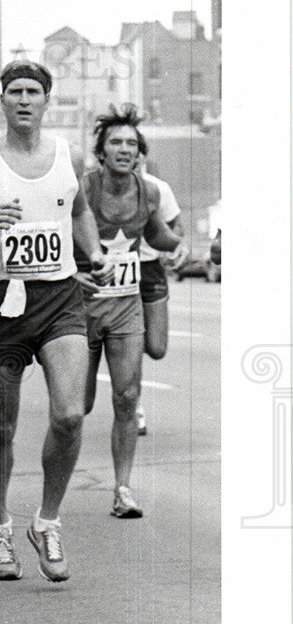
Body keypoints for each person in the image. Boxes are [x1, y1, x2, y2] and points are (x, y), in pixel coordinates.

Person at [0, 61, 112, 584]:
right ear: (1, 100)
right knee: (2, 427)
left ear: (47, 100)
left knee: (70, 415)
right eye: (15, 92)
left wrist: (92, 251)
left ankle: (47, 521)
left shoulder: (68, 156)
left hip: (60, 299)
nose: (25, 100)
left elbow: (77, 210)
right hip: (2, 304)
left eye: (34, 92)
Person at [75, 105, 182, 518]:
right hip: (79, 308)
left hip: (125, 306)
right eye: (116, 142)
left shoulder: (149, 192)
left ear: (140, 153)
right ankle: (61, 477)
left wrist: (179, 246)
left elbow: (157, 234)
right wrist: (73, 274)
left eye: (132, 144)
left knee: (127, 396)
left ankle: (122, 489)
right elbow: (57, 235)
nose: (125, 149)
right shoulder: (82, 190)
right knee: (76, 407)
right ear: (101, 152)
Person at [134, 151, 188, 435]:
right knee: (129, 346)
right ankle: (134, 406)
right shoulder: (99, 186)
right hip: (113, 270)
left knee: (155, 347)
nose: (129, 155)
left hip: (149, 268)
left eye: (135, 150)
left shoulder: (157, 188)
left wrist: (174, 245)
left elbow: (176, 224)